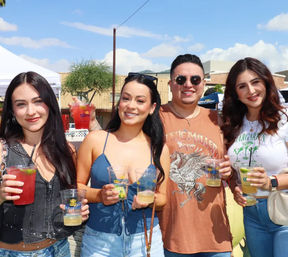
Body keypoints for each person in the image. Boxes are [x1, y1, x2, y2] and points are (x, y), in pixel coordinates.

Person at [77, 73, 170, 257]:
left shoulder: (159, 149)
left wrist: (151, 199)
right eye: (126, 98)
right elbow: (76, 188)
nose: (131, 106)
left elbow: (163, 199)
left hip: (144, 243)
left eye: (140, 100)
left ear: (152, 108)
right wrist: (99, 195)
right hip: (99, 243)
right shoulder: (95, 140)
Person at [0, 71, 89, 256]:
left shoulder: (67, 150)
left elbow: (69, 198)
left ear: (49, 104)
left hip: (60, 248)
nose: (31, 111)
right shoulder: (2, 150)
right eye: (21, 104)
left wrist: (77, 211)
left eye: (38, 101)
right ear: (12, 111)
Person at [157, 54, 233, 257]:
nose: (188, 85)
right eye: (181, 79)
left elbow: (234, 166)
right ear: (171, 83)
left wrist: (229, 171)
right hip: (169, 238)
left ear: (204, 83)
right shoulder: (154, 118)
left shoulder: (219, 120)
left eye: (195, 80)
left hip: (215, 238)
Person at [221, 57, 288, 257]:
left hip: (282, 209)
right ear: (235, 93)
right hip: (251, 214)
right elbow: (232, 172)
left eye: (255, 82)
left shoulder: (284, 118)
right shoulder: (232, 124)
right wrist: (235, 188)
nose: (251, 91)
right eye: (242, 86)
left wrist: (272, 181)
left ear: (266, 83)